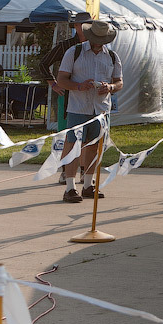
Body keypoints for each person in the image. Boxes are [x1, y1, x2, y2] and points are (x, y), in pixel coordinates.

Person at [55, 20, 123, 204]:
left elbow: (119, 82)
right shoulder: (74, 52)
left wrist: (109, 87)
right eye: (96, 38)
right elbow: (61, 79)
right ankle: (70, 187)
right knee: (73, 146)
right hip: (78, 107)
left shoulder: (112, 56)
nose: (99, 42)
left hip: (100, 109)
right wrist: (79, 86)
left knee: (94, 146)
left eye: (102, 39)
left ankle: (88, 184)